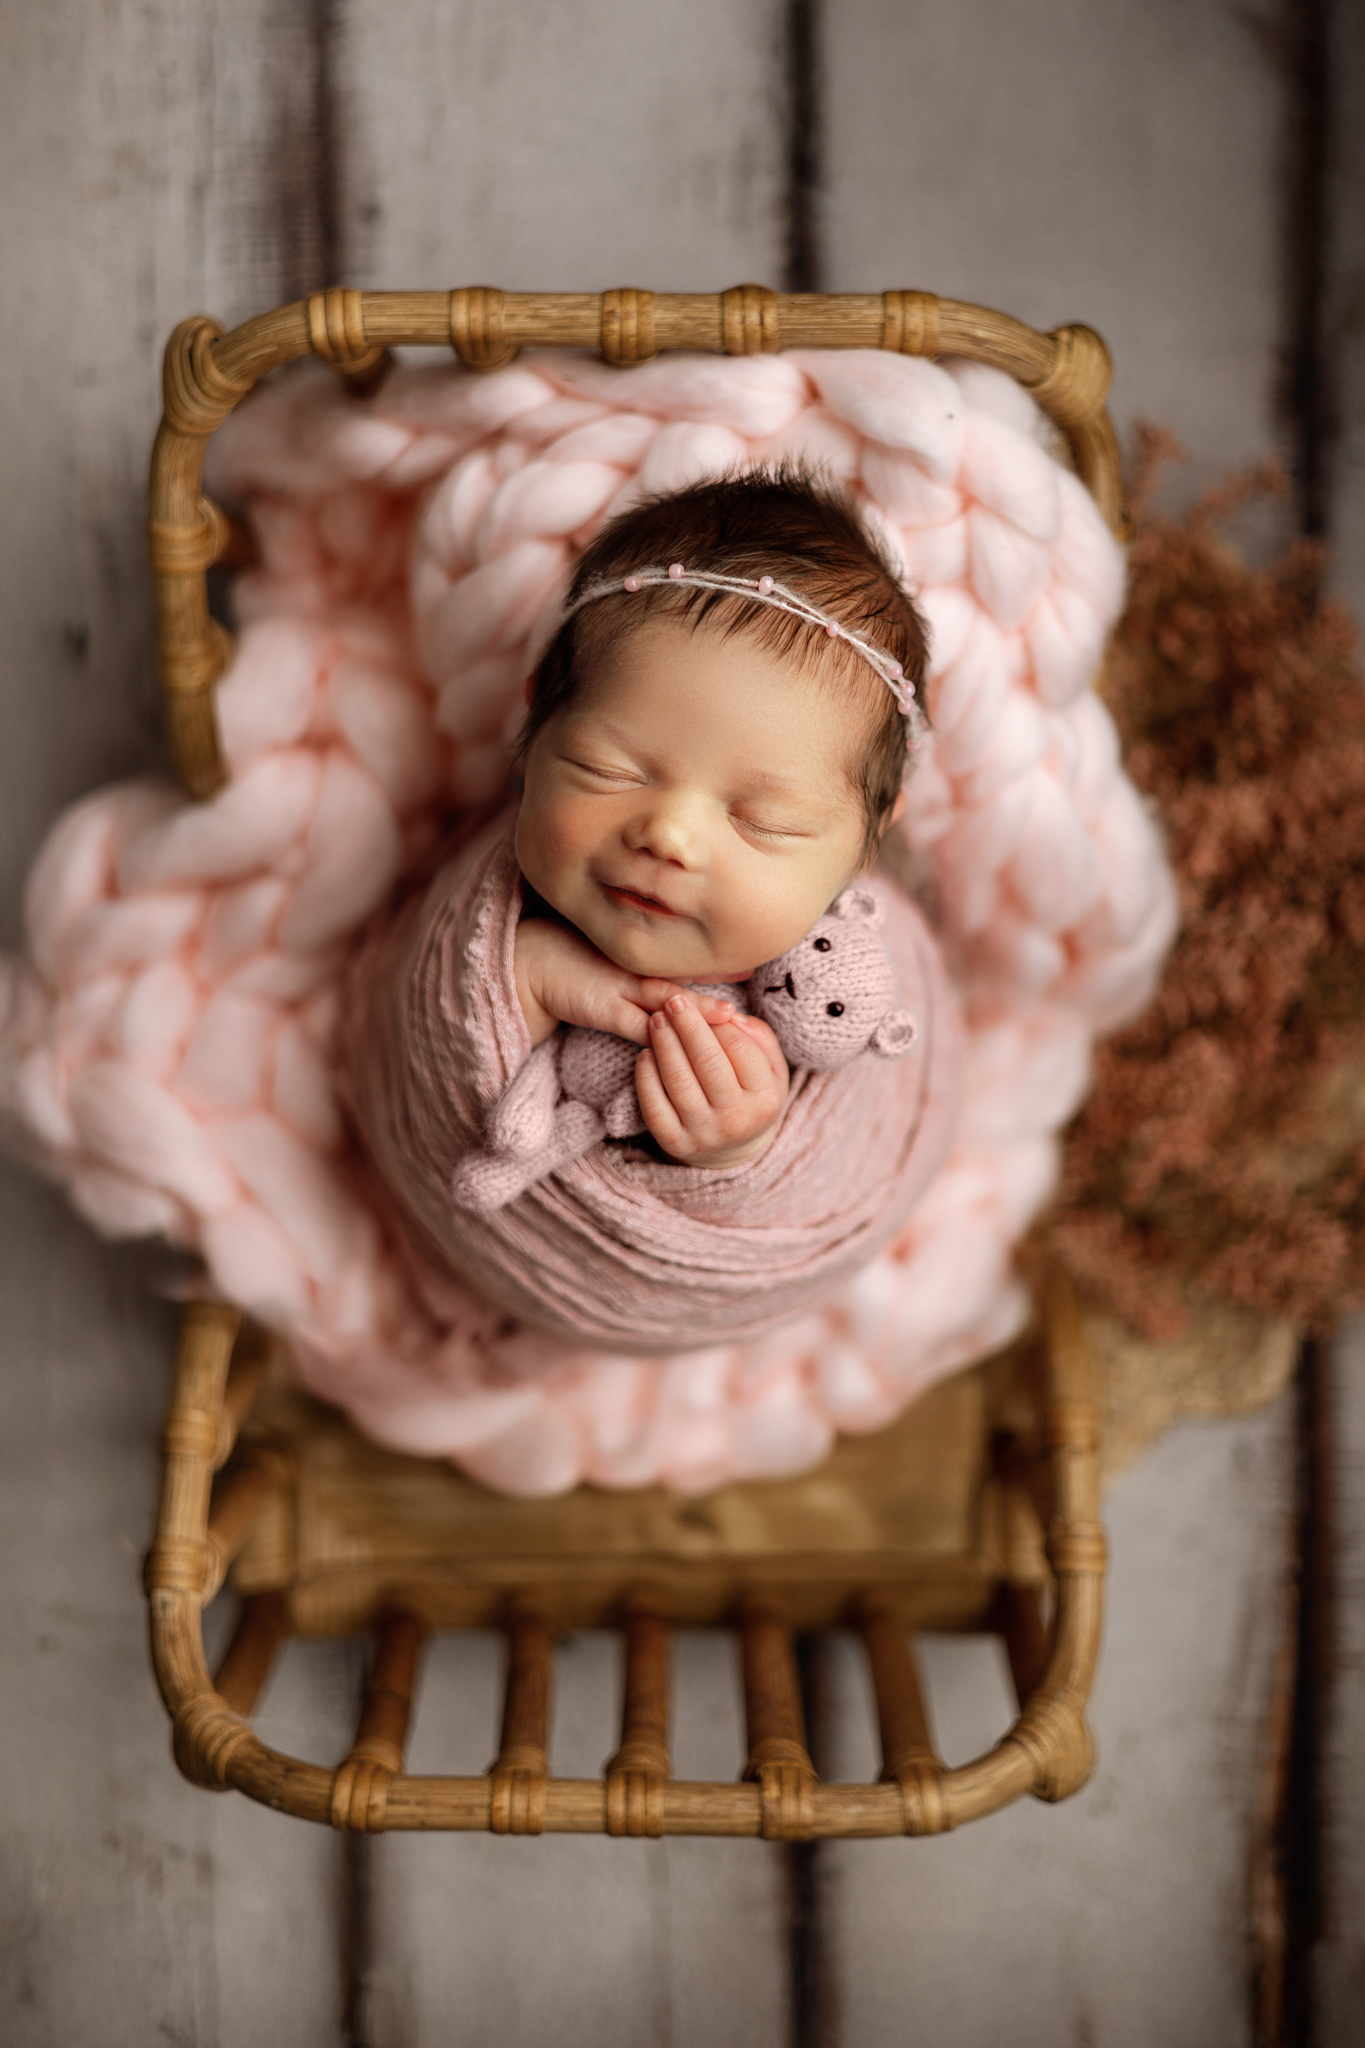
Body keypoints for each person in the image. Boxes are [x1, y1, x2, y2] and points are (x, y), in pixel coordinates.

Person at [341, 466, 964, 1353]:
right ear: (537, 728)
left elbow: (855, 1167)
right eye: (609, 769)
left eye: (763, 820)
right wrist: (516, 980)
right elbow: (419, 1043)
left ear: (866, 842)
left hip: (684, 1279)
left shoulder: (863, 979)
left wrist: (731, 1153)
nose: (668, 833)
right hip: (482, 1239)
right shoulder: (499, 893)